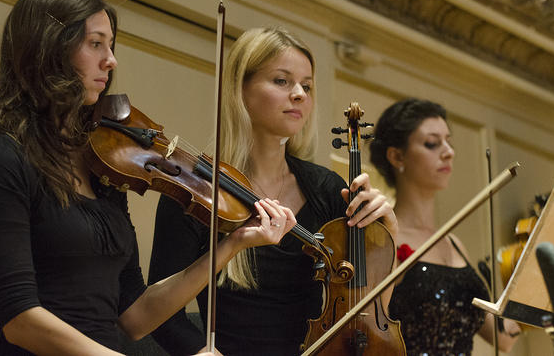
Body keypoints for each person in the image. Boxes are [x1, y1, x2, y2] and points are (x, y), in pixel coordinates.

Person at [0, 0, 296, 356]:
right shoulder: (2, 160)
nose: (111, 60)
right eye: (95, 44)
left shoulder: (105, 166)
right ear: (49, 49)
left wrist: (232, 243)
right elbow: (20, 320)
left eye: (111, 45)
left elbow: (135, 317)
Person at [147, 27, 399, 356]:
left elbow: (364, 318)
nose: (299, 95)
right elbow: (163, 319)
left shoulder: (326, 190)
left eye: (306, 86)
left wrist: (388, 230)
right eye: (282, 81)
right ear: (241, 88)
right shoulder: (196, 190)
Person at [369, 97, 521, 356]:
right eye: (432, 143)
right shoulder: (383, 237)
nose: (449, 151)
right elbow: (368, 329)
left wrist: (528, 267)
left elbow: (504, 338)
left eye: (449, 141)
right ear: (396, 156)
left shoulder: (454, 244)